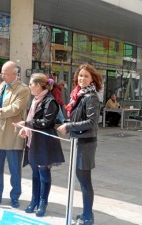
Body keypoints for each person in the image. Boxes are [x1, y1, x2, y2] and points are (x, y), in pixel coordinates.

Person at [0, 61, 30, 208]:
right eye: (2, 73)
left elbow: (13, 109)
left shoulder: (23, 89)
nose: (3, 76)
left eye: (6, 74)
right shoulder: (1, 86)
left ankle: (15, 197)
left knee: (14, 169)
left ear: (15, 74)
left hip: (13, 135)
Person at [14, 73, 65, 217]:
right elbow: (32, 119)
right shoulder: (35, 100)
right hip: (33, 142)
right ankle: (34, 200)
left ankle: (43, 202)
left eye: (30, 84)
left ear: (38, 85)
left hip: (44, 143)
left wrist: (26, 124)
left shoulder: (50, 101)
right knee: (35, 174)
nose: (29, 86)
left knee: (43, 174)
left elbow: (46, 122)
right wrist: (25, 128)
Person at [57, 63, 102, 225]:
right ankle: (86, 214)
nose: (82, 79)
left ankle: (88, 216)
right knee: (82, 178)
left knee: (84, 180)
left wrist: (69, 126)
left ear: (92, 80)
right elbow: (78, 117)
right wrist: (69, 122)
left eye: (86, 76)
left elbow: (91, 122)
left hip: (86, 143)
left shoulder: (91, 97)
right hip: (78, 141)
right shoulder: (79, 95)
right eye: (80, 75)